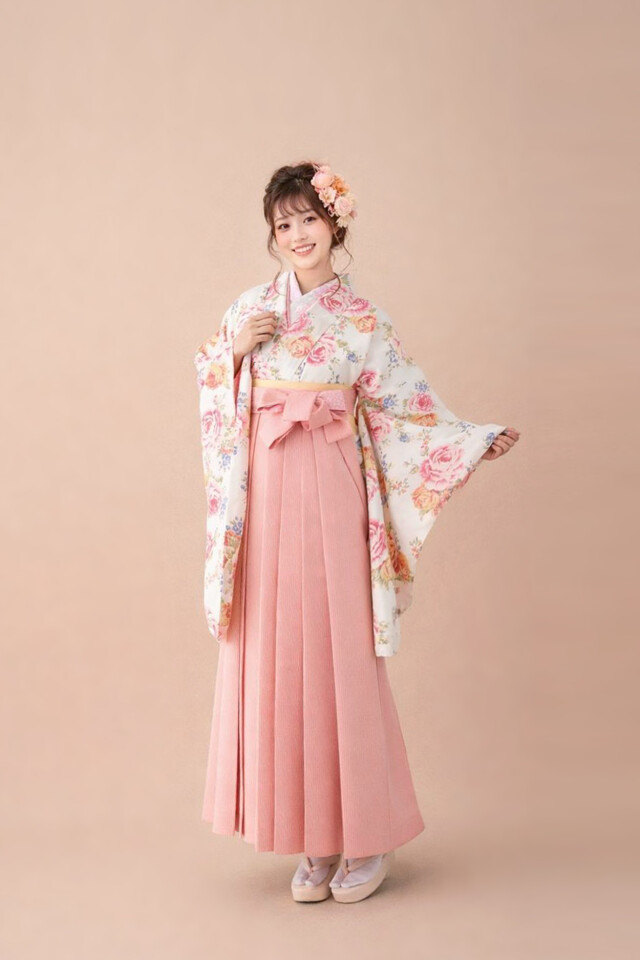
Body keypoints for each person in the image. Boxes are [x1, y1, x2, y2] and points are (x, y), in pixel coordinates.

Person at [193, 160, 520, 904]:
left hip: (332, 485)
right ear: (272, 236)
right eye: (283, 224)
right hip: (265, 491)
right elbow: (209, 384)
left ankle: (367, 837)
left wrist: (469, 440)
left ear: (334, 224)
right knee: (277, 652)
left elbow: (408, 407)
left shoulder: (363, 319)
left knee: (338, 652)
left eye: (309, 218)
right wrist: (234, 353)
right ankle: (312, 838)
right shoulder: (251, 309)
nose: (297, 234)